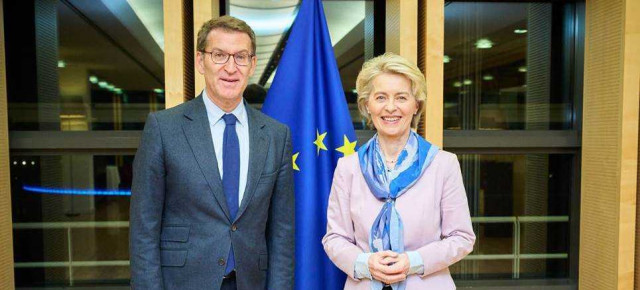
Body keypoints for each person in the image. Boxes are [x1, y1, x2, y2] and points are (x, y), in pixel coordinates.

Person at [130, 16, 295, 290]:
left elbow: (282, 233)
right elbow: (143, 228)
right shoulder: (163, 128)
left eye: (241, 57)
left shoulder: (276, 135)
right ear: (200, 61)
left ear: (252, 64)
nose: (231, 67)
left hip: (251, 282)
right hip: (183, 282)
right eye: (219, 55)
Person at [322, 53, 475, 289]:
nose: (391, 107)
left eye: (401, 97)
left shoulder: (443, 164)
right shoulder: (349, 167)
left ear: (416, 105)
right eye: (381, 97)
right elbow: (335, 239)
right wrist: (365, 263)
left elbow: (462, 238)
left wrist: (412, 261)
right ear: (366, 105)